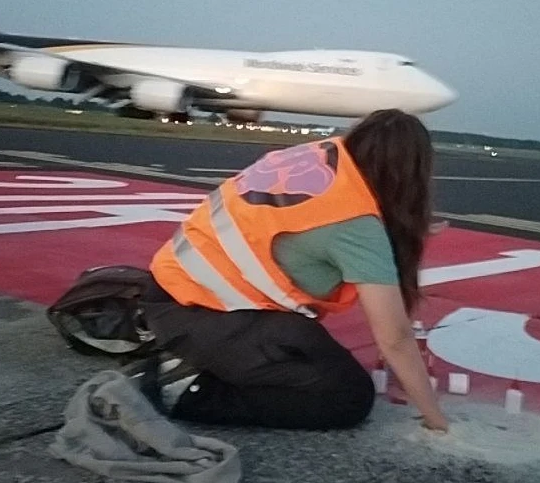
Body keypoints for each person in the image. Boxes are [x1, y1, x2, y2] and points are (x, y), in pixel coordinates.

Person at [125, 108, 450, 433]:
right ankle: (186, 389)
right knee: (347, 396)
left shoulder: (322, 159)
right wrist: (436, 420)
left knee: (312, 354)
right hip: (200, 314)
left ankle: (198, 358)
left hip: (177, 290)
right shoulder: (355, 224)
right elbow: (394, 338)